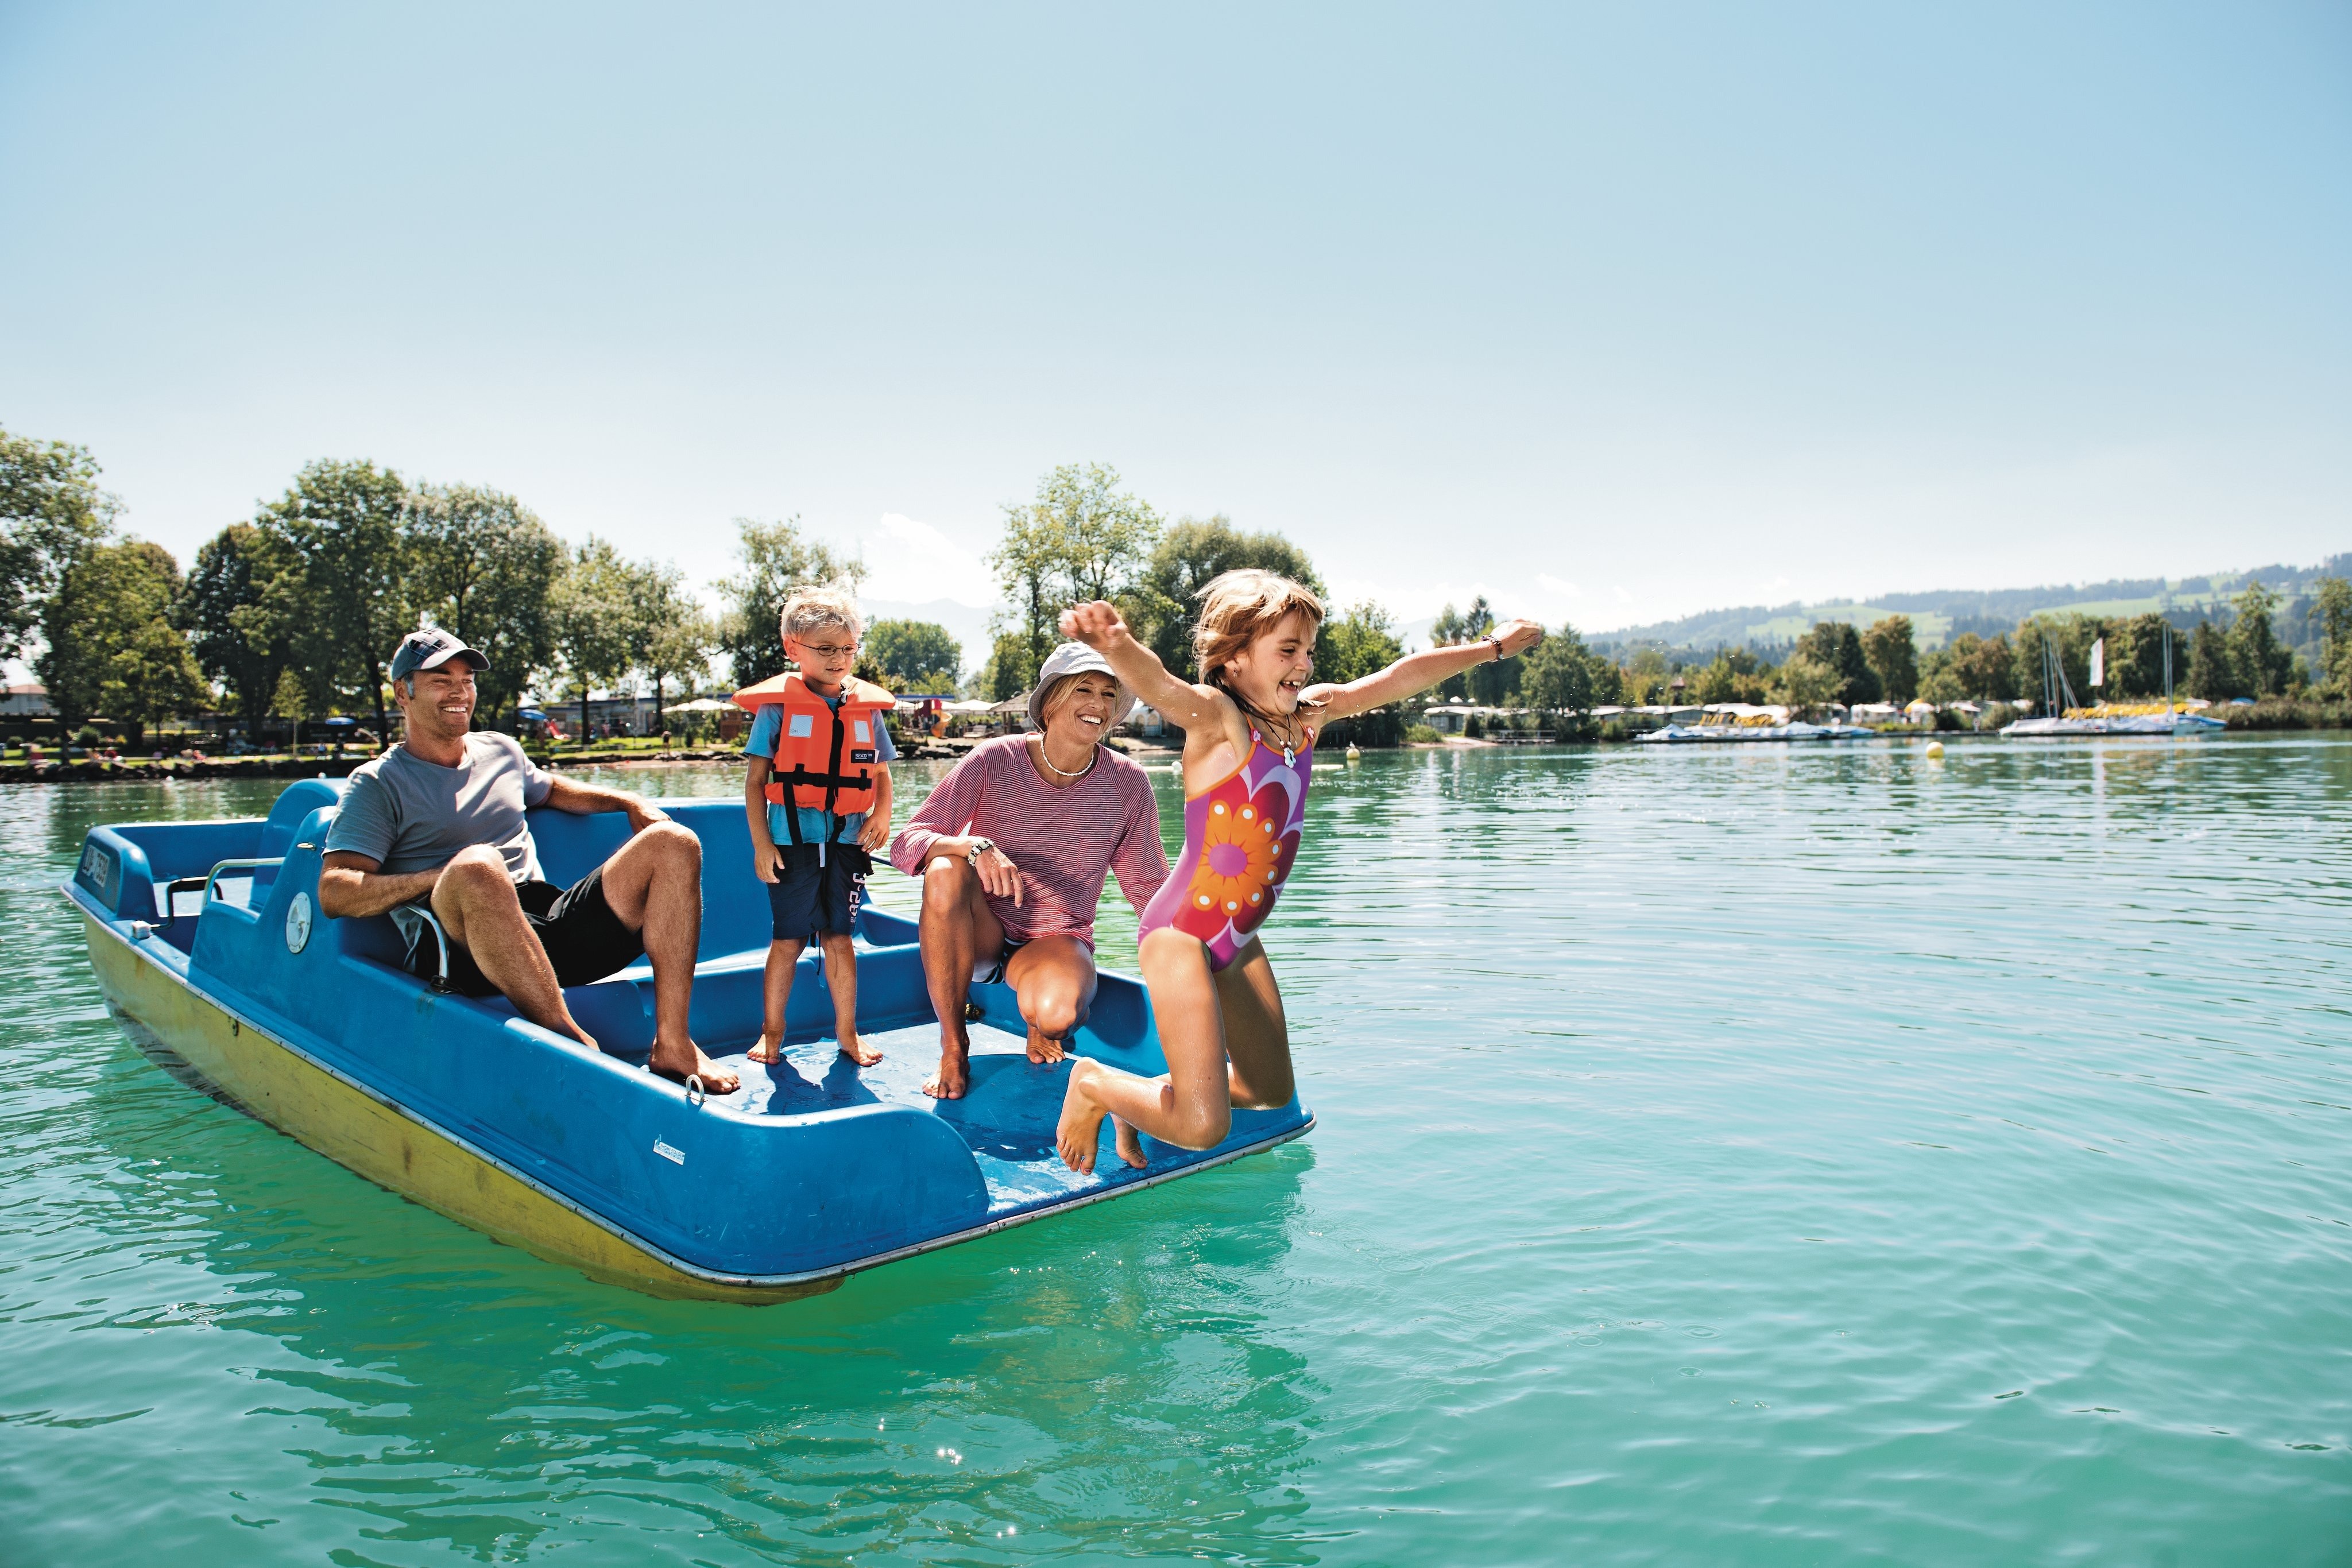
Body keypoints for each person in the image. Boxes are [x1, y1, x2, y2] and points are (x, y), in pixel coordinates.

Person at [1052, 571, 1542, 1172]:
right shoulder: (1220, 720)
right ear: (1234, 658)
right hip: (1181, 934)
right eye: (1287, 649)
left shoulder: (1309, 717)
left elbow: (1400, 677)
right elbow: (1162, 686)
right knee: (1203, 1127)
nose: (1304, 664)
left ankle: (1140, 1103)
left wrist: (1491, 648)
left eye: (1309, 650)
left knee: (1269, 1092)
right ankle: (1094, 1083)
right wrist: (1116, 644)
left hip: (1238, 937)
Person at [318, 627, 739, 1094]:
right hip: (461, 949)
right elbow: (335, 889)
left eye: (466, 680)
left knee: (674, 841)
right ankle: (573, 1044)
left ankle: (674, 1042)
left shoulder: (501, 750)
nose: (460, 691)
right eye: (441, 680)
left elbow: (551, 789)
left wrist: (628, 801)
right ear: (403, 693)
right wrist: (443, 875)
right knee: (479, 866)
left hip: (546, 926)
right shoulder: (377, 783)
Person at [889, 641, 1170, 1099]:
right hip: (980, 932)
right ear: (1052, 700)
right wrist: (972, 846)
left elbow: (1149, 885)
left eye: (1109, 694)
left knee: (1058, 1017)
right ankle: (954, 1044)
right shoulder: (994, 759)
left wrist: (1200, 954)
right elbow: (907, 843)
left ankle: (1039, 1020)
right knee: (944, 868)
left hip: (1055, 940)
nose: (1099, 704)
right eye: (1084, 690)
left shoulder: (1129, 783)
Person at [737, 584, 896, 1070]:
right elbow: (755, 782)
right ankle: (772, 1031)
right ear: (794, 648)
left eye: (848, 649)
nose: (838, 659)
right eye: (826, 649)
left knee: (840, 938)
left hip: (848, 842)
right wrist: (762, 843)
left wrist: (882, 814)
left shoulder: (866, 710)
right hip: (792, 843)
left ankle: (847, 1032)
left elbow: (881, 773)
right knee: (787, 940)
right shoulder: (778, 709)